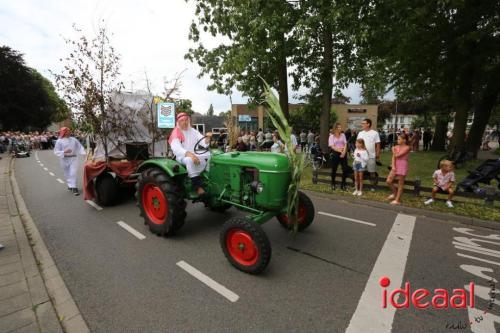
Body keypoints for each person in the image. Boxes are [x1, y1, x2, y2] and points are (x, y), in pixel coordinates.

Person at [169, 113, 212, 196]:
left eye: (186, 120)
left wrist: (207, 137)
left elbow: (203, 142)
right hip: (181, 156)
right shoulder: (176, 133)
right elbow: (177, 149)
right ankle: (198, 186)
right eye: (182, 121)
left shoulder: (193, 131)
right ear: (178, 122)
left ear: (188, 121)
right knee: (189, 160)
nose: (184, 122)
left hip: (194, 153)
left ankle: (208, 176)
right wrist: (190, 155)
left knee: (209, 154)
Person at [54, 127, 86, 196]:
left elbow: (80, 147)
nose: (70, 132)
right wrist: (64, 152)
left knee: (73, 173)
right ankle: (70, 185)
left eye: (70, 130)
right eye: (68, 131)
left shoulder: (74, 139)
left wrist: (83, 153)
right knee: (67, 173)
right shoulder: (59, 141)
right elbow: (56, 151)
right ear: (64, 132)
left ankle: (74, 187)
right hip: (64, 159)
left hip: (73, 158)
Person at [386, 133, 410, 205]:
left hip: (402, 165)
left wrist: (393, 150)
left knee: (400, 183)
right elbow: (394, 157)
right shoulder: (396, 147)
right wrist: (393, 166)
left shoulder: (407, 147)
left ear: (404, 140)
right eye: (397, 139)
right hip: (396, 164)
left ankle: (397, 200)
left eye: (399, 139)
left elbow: (397, 155)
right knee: (389, 181)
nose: (397, 140)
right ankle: (394, 193)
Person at [356, 119, 381, 190]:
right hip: (361, 157)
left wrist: (378, 155)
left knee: (372, 172)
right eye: (362, 123)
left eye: (363, 123)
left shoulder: (375, 133)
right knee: (359, 171)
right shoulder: (360, 133)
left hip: (371, 156)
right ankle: (358, 186)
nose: (362, 124)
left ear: (368, 124)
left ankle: (372, 186)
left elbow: (378, 145)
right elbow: (357, 144)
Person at [329, 123, 349, 191]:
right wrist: (340, 151)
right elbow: (332, 146)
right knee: (334, 169)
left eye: (340, 127)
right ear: (335, 128)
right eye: (338, 127)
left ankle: (343, 184)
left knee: (345, 169)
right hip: (336, 153)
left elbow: (345, 143)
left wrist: (344, 152)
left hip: (343, 153)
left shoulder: (343, 135)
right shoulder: (331, 136)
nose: (340, 128)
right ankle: (333, 183)